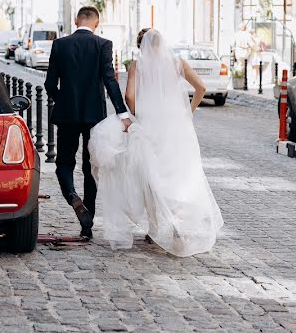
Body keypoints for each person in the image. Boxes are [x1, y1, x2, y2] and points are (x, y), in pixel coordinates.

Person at [88, 28, 224, 257]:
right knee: (177, 174)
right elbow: (201, 88)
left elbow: (130, 96)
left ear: (141, 46)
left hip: (149, 125)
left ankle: (154, 228)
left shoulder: (136, 66)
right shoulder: (176, 62)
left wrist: (136, 115)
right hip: (176, 126)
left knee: (150, 175)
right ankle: (178, 221)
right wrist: (188, 112)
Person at [44, 7, 130, 240]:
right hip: (95, 117)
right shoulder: (103, 44)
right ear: (97, 22)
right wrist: (122, 113)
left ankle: (73, 197)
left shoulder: (60, 45)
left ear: (75, 20)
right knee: (90, 167)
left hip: (66, 115)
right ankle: (87, 225)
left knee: (63, 163)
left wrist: (63, 100)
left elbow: (50, 83)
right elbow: (110, 80)